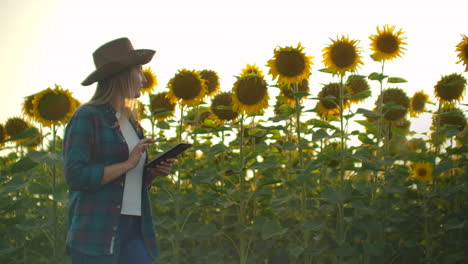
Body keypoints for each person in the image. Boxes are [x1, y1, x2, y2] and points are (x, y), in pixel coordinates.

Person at [63, 37, 173, 264]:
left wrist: (151, 174)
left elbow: (130, 183)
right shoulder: (87, 116)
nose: (144, 79)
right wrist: (127, 164)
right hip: (97, 233)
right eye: (139, 71)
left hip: (135, 230)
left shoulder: (132, 124)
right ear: (122, 75)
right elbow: (75, 175)